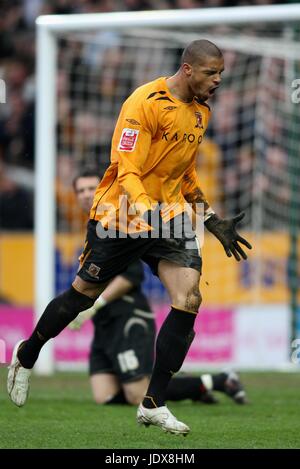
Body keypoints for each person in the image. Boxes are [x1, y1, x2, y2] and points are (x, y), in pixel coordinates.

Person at [8, 39, 252, 436]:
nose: (219, 80)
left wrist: (208, 216)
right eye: (212, 72)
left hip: (166, 217)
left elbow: (184, 173)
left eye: (221, 73)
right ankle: (28, 352)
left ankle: (154, 403)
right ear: (188, 69)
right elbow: (127, 167)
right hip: (120, 215)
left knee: (189, 297)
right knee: (80, 296)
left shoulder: (200, 113)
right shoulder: (145, 102)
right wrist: (143, 208)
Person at [70, 169, 247, 406]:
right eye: (80, 190)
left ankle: (215, 381)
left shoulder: (120, 222)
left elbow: (131, 277)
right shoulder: (96, 223)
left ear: (105, 188)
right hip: (104, 323)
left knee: (138, 393)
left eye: (91, 188)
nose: (86, 195)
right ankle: (183, 386)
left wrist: (93, 305)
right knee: (105, 397)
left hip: (128, 317)